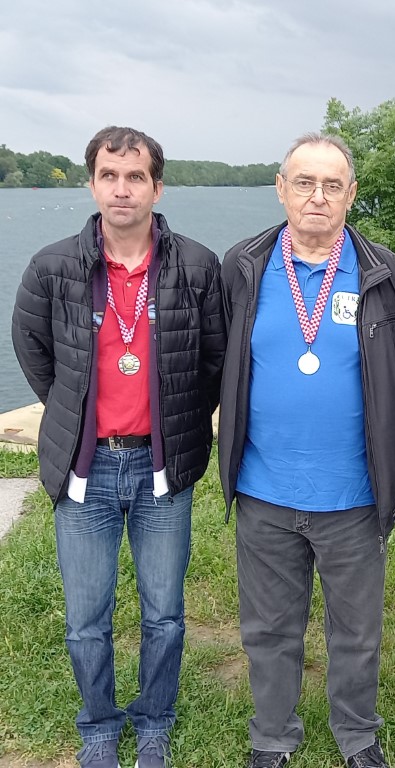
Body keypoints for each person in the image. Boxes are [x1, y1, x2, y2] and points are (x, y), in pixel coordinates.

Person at [11, 126, 226, 768]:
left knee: (164, 614)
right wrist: (74, 413)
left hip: (163, 468)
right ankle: (99, 726)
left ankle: (154, 720)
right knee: (85, 618)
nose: (122, 189)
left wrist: (180, 419)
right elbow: (34, 349)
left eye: (136, 177)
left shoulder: (195, 265)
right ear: (93, 183)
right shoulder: (53, 266)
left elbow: (212, 359)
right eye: (110, 175)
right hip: (86, 469)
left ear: (158, 187)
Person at [218, 133, 395, 768]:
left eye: (333, 185)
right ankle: (272, 737)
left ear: (351, 194)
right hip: (264, 489)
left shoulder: (387, 274)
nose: (318, 197)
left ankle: (358, 736)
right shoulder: (241, 268)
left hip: (354, 493)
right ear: (281, 189)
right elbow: (217, 357)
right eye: (304, 182)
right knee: (269, 629)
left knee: (355, 633)